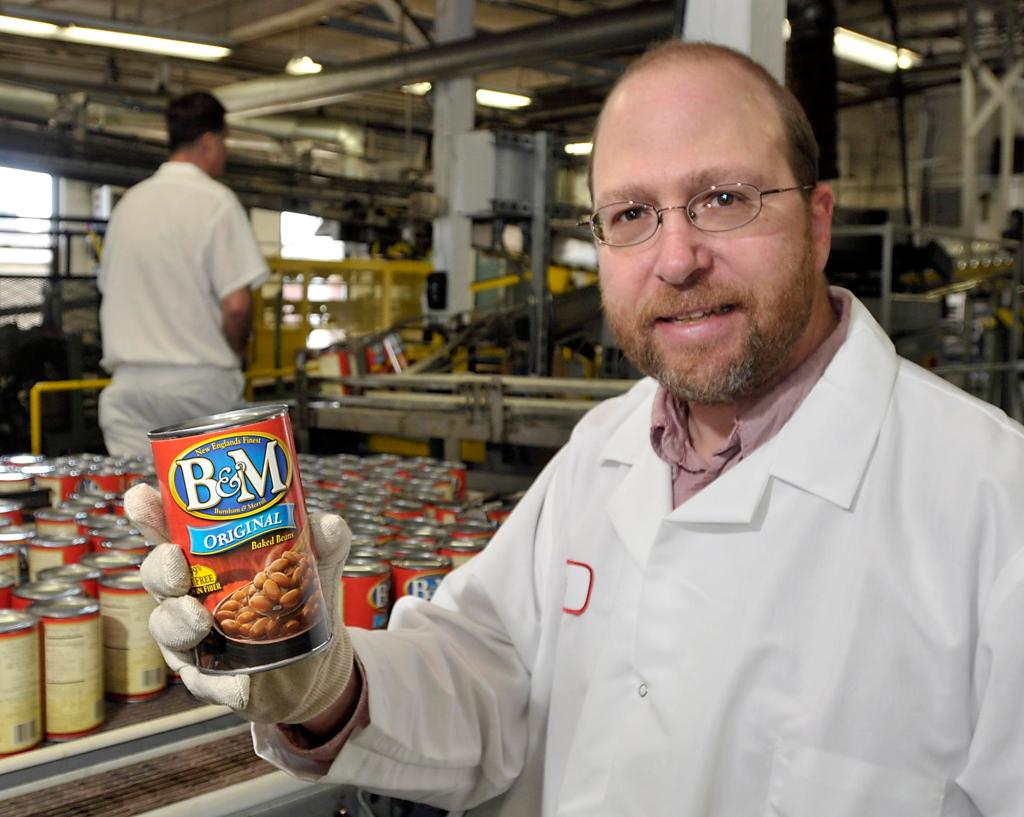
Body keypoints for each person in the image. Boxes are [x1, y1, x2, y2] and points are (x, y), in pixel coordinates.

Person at [130, 41, 1024, 816]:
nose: (676, 258)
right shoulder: (603, 448)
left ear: (819, 222)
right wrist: (331, 690)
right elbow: (489, 675)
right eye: (632, 215)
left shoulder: (991, 507)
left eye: (723, 197)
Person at [98, 90, 268, 458]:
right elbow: (237, 306)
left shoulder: (128, 204)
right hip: (199, 390)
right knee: (215, 509)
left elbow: (109, 289)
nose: (225, 151)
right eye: (224, 142)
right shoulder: (216, 201)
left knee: (140, 508)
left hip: (128, 390)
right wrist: (237, 348)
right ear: (209, 142)